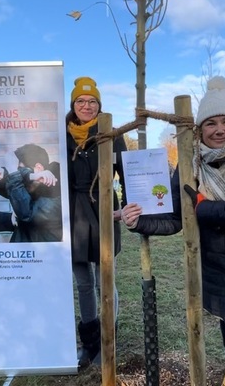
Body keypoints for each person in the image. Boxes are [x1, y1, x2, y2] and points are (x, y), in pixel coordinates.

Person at [121, 76, 225, 385]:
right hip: (215, 271)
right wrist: (139, 221)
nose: (219, 130)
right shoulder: (190, 168)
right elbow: (176, 219)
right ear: (200, 130)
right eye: (210, 123)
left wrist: (206, 207)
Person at [65, 76, 127, 367]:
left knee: (106, 279)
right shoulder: (60, 134)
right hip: (72, 212)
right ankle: (89, 343)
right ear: (73, 104)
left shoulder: (110, 133)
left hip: (103, 209)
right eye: (81, 101)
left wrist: (127, 206)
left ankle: (108, 339)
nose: (86, 106)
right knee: (83, 282)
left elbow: (127, 172)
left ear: (99, 106)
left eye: (92, 102)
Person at [2, 143, 63, 242]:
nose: (18, 177)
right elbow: (3, 183)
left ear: (38, 168)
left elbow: (27, 214)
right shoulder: (31, 191)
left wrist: (14, 174)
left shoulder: (56, 194)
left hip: (44, 256)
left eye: (19, 172)